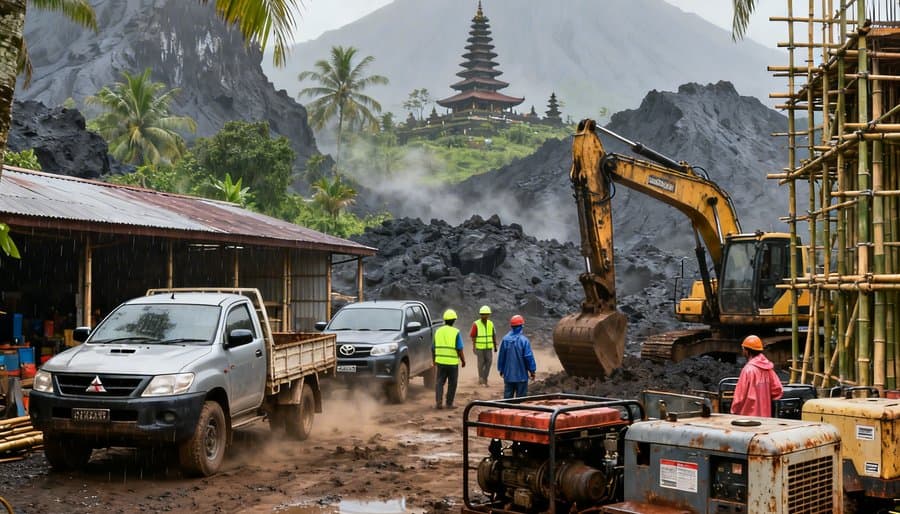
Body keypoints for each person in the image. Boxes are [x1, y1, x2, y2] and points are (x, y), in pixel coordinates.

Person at [730, 335, 783, 417]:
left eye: (743, 349)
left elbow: (739, 397)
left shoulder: (748, 370)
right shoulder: (768, 369)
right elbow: (777, 390)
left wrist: (734, 411)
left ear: (747, 351)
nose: (742, 351)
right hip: (765, 418)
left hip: (748, 419)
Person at [497, 314, 536, 399]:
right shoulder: (524, 341)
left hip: (508, 376)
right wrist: (532, 370)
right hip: (521, 377)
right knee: (520, 402)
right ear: (521, 326)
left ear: (511, 326)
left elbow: (501, 356)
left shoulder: (505, 339)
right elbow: (528, 357)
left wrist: (501, 369)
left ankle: (505, 411)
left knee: (507, 401)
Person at [433, 308, 466, 409]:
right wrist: (463, 360)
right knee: (452, 384)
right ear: (454, 321)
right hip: (452, 364)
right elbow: (459, 349)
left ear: (445, 320)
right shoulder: (456, 332)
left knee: (439, 383)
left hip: (440, 362)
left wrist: (433, 360)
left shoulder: (438, 331)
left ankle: (438, 402)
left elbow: (433, 348)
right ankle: (449, 403)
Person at [469, 305, 497, 386]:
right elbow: (473, 336)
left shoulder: (490, 324)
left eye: (486, 314)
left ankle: (484, 378)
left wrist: (495, 346)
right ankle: (481, 378)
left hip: (488, 347)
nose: (484, 316)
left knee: (489, 362)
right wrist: (474, 347)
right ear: (480, 315)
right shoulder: (476, 324)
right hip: (480, 348)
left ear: (488, 315)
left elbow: (493, 335)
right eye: (483, 314)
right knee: (481, 363)